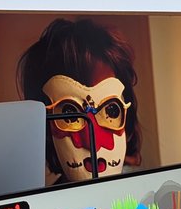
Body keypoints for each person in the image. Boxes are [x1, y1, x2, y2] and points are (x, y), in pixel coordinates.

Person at [16, 17, 142, 184]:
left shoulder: (148, 193)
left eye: (111, 111)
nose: (93, 143)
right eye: (69, 114)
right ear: (45, 132)